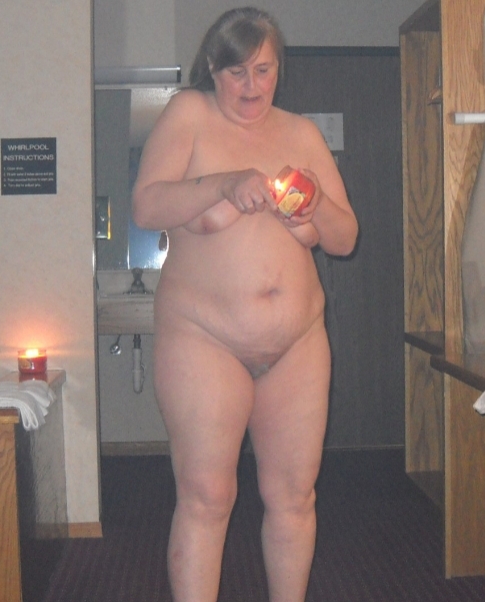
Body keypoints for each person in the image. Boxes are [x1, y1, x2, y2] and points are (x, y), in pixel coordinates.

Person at [131, 7, 358, 602]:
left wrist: (314, 205)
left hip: (298, 342)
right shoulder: (189, 113)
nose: (252, 86)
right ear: (213, 67)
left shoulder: (302, 133)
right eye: (237, 72)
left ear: (279, 69)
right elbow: (147, 205)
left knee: (294, 497)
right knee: (207, 496)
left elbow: (345, 238)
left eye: (264, 70)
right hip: (204, 337)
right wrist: (226, 183)